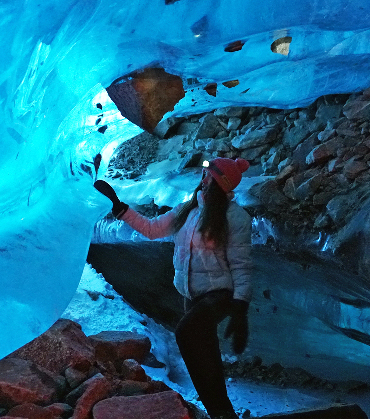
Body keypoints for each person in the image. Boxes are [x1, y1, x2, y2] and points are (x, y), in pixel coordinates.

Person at [94, 157, 253, 419]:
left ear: (221, 184)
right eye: (204, 175)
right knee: (206, 354)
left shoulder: (235, 218)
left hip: (219, 294)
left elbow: (241, 264)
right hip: (191, 295)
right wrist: (120, 207)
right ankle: (222, 413)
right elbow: (153, 229)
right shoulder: (187, 210)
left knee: (186, 333)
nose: (203, 181)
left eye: (210, 177)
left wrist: (240, 306)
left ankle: (220, 412)